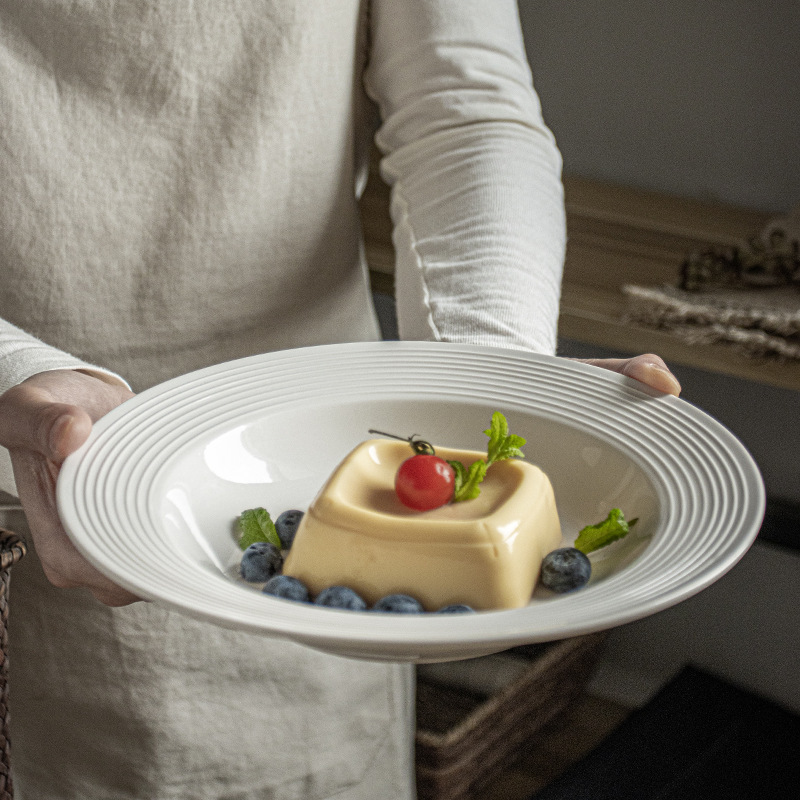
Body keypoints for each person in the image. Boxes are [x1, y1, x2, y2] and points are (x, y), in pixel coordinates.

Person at [0, 2, 680, 798]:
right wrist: (12, 368)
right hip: (28, 488)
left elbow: (464, 115)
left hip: (324, 478)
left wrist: (492, 372)